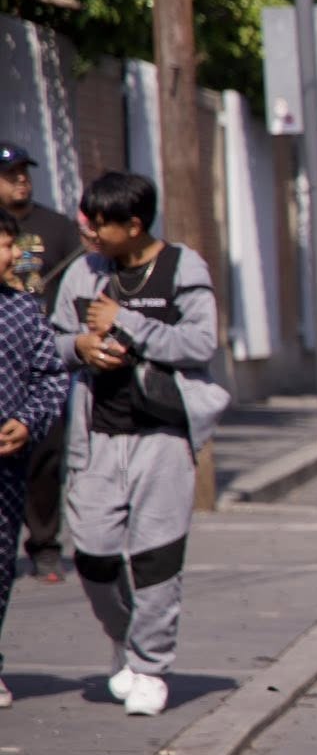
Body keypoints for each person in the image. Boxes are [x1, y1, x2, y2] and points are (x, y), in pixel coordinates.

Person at [52, 172, 232, 716]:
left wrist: (126, 322)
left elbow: (200, 342)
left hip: (162, 433)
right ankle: (129, 639)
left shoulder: (182, 269)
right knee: (93, 553)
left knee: (156, 557)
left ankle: (151, 667)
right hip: (99, 436)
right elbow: (54, 342)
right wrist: (83, 346)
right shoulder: (84, 273)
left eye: (99, 223)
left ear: (133, 226)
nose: (90, 232)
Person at [0, 210, 75, 708]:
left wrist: (28, 421)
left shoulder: (24, 311)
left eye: (9, 245)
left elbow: (53, 377)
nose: (6, 255)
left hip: (6, 466)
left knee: (1, 565)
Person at [0, 141, 84, 582]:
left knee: (46, 459)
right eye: (9, 174)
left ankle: (45, 543)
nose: (20, 180)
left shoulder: (57, 228)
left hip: (38, 356)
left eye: (24, 172)